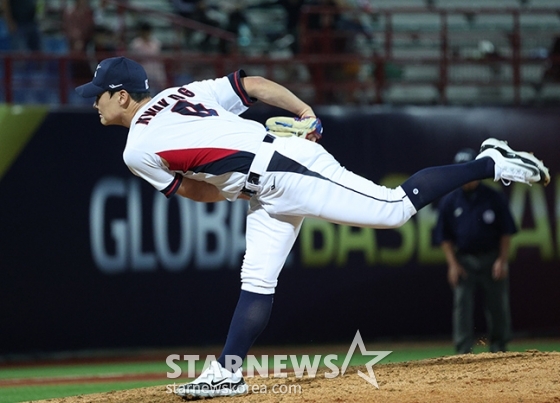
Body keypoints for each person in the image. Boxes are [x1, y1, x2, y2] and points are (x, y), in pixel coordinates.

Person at [75, 56, 549, 398]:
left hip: (282, 169)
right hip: (269, 180)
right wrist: (306, 112)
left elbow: (197, 192)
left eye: (97, 94)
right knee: (257, 279)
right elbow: (254, 83)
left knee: (391, 210)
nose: (92, 102)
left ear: (122, 95)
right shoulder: (181, 94)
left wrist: (236, 185)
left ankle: (489, 162)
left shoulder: (135, 149)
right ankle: (228, 371)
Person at [434, 148, 516, 355]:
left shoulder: (493, 197)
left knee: (497, 305)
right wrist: (453, 265)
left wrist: (502, 260)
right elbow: (444, 237)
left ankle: (499, 346)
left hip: (491, 258)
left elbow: (506, 231)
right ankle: (463, 351)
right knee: (462, 306)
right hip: (464, 260)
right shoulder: (450, 200)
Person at [129, 21, 167, 93]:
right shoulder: (135, 44)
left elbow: (159, 61)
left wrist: (161, 77)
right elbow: (132, 61)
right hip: (141, 74)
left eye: (147, 31)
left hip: (155, 73)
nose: (146, 33)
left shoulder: (156, 43)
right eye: (144, 31)